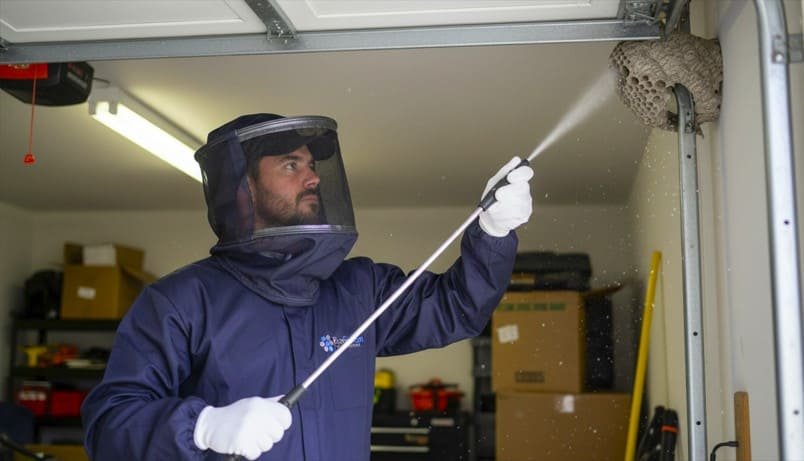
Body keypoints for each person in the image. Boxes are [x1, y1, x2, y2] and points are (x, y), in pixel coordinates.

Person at [81, 113, 534, 460]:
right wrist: (201, 426)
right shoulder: (181, 301)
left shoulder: (361, 289)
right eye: (291, 164)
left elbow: (455, 308)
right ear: (243, 189)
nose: (313, 176)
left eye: (313, 165)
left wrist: (492, 232)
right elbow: (109, 424)